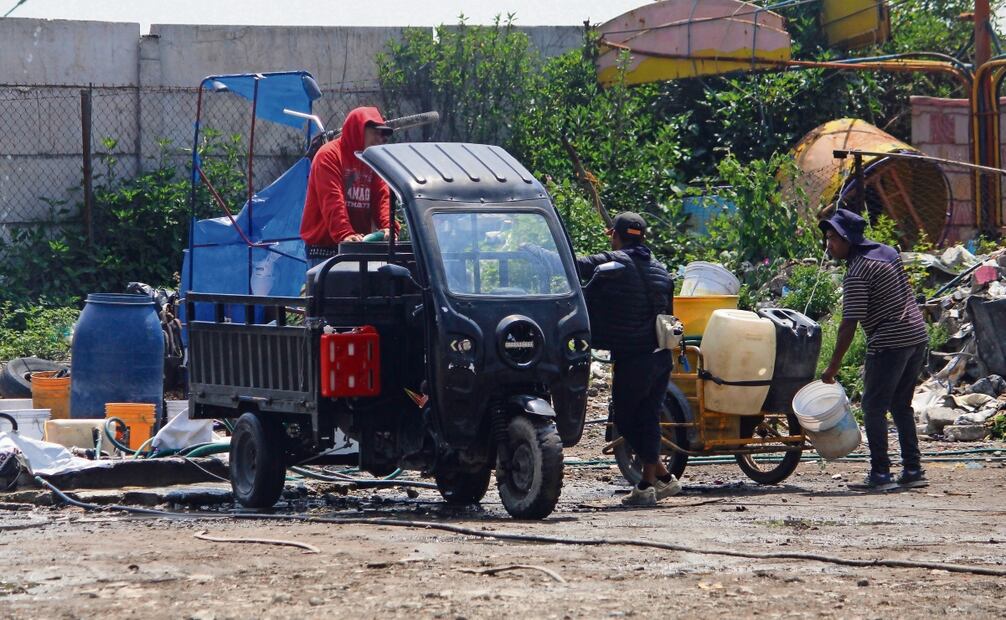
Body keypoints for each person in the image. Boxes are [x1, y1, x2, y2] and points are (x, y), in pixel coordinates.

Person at [819, 208, 929, 490]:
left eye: (833, 239)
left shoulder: (857, 271)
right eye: (827, 238)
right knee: (900, 406)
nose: (828, 245)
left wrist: (832, 367)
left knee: (872, 407)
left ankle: (881, 473)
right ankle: (913, 470)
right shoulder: (888, 253)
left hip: (890, 342)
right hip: (916, 336)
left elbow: (848, 325)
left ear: (847, 239)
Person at [577, 212, 681, 506]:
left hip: (634, 357)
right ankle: (652, 482)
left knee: (625, 417)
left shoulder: (614, 262)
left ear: (615, 235)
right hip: (662, 356)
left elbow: (576, 267)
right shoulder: (662, 271)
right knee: (648, 415)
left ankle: (659, 477)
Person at [299, 106, 397, 267]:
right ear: (359, 129)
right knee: (333, 292)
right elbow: (332, 200)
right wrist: (345, 234)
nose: (381, 139)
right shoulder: (329, 155)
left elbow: (382, 198)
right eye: (376, 132)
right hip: (325, 249)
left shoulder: (371, 159)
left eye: (383, 134)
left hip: (357, 245)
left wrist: (388, 227)